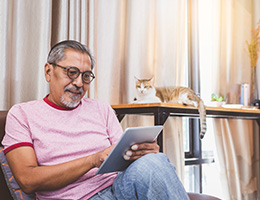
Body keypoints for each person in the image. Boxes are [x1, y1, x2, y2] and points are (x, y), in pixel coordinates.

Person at [2, 40, 189, 200]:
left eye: (86, 76)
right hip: (76, 197)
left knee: (154, 161)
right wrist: (92, 160)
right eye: (71, 72)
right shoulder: (22, 114)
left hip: (118, 187)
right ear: (48, 71)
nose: (78, 83)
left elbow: (123, 157)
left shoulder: (101, 108)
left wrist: (143, 153)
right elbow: (27, 180)